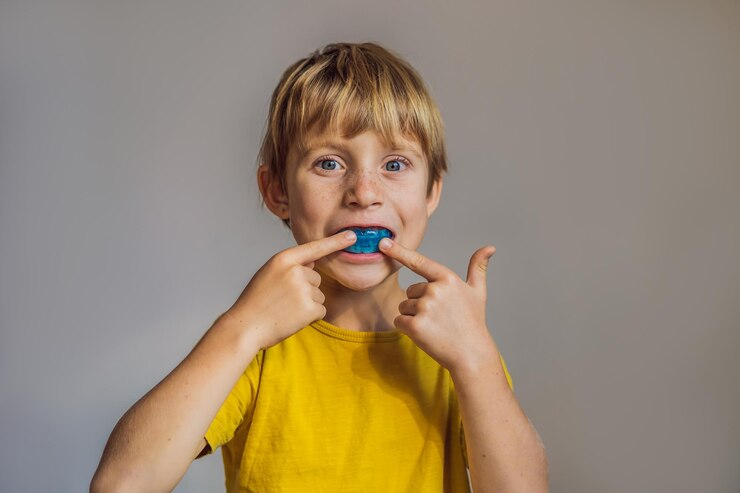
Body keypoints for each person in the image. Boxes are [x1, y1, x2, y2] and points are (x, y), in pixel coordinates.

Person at [90, 41, 548, 493]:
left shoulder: (459, 347)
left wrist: (475, 358)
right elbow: (120, 484)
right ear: (277, 192)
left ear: (431, 193)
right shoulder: (257, 348)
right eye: (329, 163)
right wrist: (241, 328)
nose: (364, 192)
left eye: (395, 163)